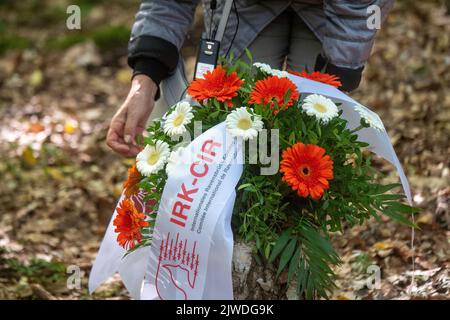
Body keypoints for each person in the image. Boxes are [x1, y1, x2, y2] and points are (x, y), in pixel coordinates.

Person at [107, 0, 394, 157]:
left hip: (333, 10)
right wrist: (144, 80)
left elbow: (358, 11)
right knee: (231, 138)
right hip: (244, 9)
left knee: (309, 151)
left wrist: (336, 80)